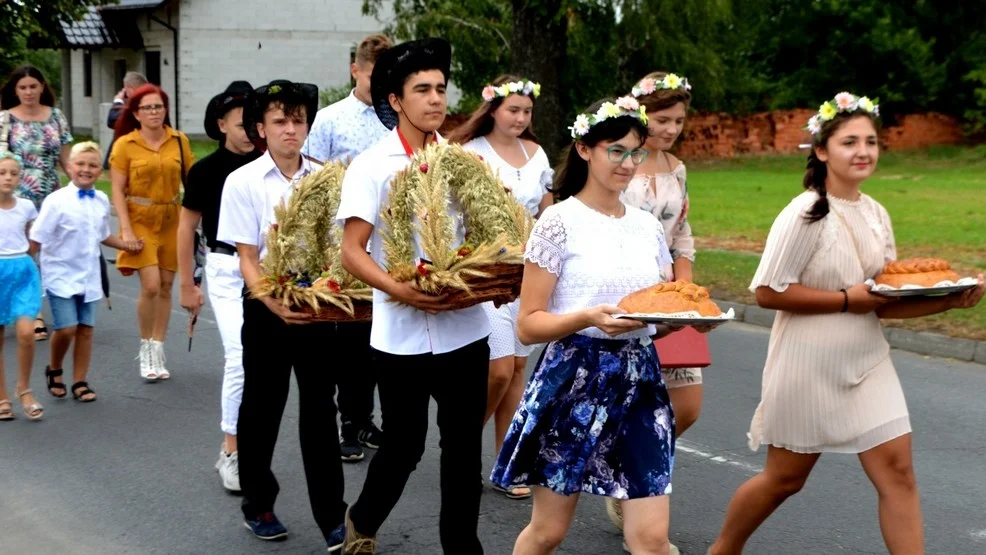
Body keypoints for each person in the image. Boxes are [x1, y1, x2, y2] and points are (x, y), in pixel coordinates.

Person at [708, 93, 986, 555]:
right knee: (784, 480)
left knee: (899, 473)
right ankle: (724, 550)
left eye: (871, 142)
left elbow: (879, 301)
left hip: (867, 361)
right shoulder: (804, 213)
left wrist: (949, 303)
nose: (863, 151)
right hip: (807, 364)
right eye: (849, 141)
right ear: (822, 150)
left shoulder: (876, 213)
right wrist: (842, 300)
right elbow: (766, 292)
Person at [490, 96, 714, 555]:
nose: (628, 163)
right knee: (548, 533)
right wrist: (587, 317)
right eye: (616, 150)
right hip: (574, 378)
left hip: (640, 378)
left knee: (651, 540)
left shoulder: (648, 228)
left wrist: (685, 322)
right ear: (585, 149)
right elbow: (528, 326)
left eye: (635, 151)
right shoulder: (558, 222)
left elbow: (654, 316)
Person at [336, 37, 491, 554]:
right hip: (400, 334)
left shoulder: (460, 162)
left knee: (464, 450)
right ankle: (362, 518)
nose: (435, 99)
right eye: (421, 89)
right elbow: (352, 251)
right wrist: (399, 289)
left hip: (465, 329)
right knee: (404, 447)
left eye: (441, 89)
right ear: (396, 101)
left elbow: (485, 234)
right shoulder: (372, 165)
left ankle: (462, 549)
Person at [217, 79, 347, 551]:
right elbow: (247, 258)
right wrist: (273, 303)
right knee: (262, 407)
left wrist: (327, 297)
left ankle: (334, 518)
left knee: (319, 412)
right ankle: (259, 502)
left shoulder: (326, 176)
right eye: (280, 121)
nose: (291, 129)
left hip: (316, 308)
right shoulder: (243, 181)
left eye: (298, 120)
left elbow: (338, 248)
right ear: (261, 129)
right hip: (267, 306)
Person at [448, 74, 553, 500]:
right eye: (513, 109)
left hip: (526, 275)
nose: (520, 118)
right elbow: (452, 213)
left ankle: (506, 462)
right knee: (498, 369)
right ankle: (457, 449)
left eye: (526, 111)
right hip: (485, 274)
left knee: (518, 371)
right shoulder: (470, 153)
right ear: (492, 109)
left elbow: (548, 213)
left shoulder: (537, 153)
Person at [606, 71, 697, 553]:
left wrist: (683, 286)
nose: (670, 129)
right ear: (642, 116)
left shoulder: (677, 168)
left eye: (679, 120)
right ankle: (636, 498)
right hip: (627, 300)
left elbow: (683, 233)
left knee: (687, 407)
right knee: (639, 407)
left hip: (670, 301)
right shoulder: (621, 165)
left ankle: (628, 469)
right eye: (662, 120)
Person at [303, 32, 392, 463]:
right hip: (347, 238)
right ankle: (348, 423)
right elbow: (312, 180)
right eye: (372, 74)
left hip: (392, 240)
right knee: (350, 336)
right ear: (355, 70)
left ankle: (367, 417)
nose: (378, 83)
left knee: (381, 335)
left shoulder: (396, 117)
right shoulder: (330, 119)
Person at [177, 81, 260, 492]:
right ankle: (232, 450)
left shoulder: (268, 166)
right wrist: (187, 284)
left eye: (253, 120)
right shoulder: (206, 171)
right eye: (241, 121)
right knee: (240, 355)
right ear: (222, 124)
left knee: (268, 364)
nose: (248, 128)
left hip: (268, 268)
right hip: (225, 267)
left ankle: (256, 446)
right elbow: (186, 227)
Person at [29, 142, 143, 403]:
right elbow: (38, 239)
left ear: (99, 171)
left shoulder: (101, 199)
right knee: (67, 328)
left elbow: (102, 235)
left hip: (89, 273)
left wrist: (126, 245)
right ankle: (55, 368)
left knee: (86, 329)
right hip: (60, 274)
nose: (86, 169)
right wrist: (23, 269)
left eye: (92, 165)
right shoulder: (56, 201)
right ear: (69, 167)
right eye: (80, 164)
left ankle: (80, 380)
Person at [109, 84, 194, 381]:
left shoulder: (179, 141)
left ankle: (158, 347)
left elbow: (191, 181)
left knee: (168, 285)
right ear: (135, 113)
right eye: (147, 108)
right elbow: (117, 191)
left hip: (172, 217)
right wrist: (126, 230)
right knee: (151, 285)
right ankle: (145, 347)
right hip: (139, 218)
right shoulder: (125, 145)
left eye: (158, 106)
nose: (154, 112)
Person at [1, 64, 74, 341]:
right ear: (15, 91)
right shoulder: (5, 119)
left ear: (42, 87)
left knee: (51, 254)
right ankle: (34, 313)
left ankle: (51, 306)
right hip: (17, 198)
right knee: (26, 255)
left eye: (33, 86)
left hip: (51, 195)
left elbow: (66, 159)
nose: (28, 92)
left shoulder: (56, 117)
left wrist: (77, 188)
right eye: (22, 87)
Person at [0, 152, 43, 421]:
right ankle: (2, 397)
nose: (8, 178)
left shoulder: (27, 206)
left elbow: (33, 236)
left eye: (13, 173)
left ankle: (24, 389)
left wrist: (28, 254)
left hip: (23, 271)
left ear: (20, 177)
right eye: (2, 172)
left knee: (27, 332)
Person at [104, 71, 149, 169]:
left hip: (130, 155)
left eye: (125, 90)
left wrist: (117, 102)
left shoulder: (137, 107)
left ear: (129, 89)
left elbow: (112, 120)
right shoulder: (149, 104)